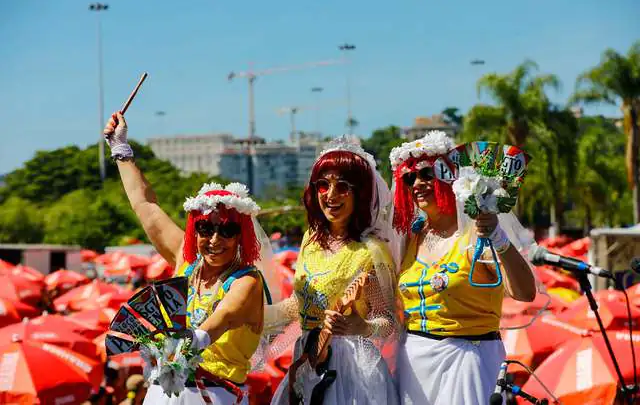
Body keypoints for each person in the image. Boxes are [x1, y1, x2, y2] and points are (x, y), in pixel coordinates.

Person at [103, 112, 274, 404]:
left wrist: (194, 340)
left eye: (228, 230)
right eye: (206, 228)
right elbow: (145, 205)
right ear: (195, 230)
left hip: (214, 396)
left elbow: (225, 317)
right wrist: (121, 149)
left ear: (241, 236)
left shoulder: (247, 281)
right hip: (162, 392)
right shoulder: (186, 262)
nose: (215, 239)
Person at [389, 130, 538, 405]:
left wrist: (499, 238)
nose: (417, 184)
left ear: (450, 178)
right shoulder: (410, 238)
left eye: (427, 174)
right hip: (414, 365)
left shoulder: (475, 234)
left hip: (468, 361)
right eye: (409, 178)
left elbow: (525, 292)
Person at [264, 136, 400, 404]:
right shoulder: (310, 241)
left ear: (360, 193)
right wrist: (254, 314)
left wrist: (360, 326)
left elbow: (387, 323)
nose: (331, 195)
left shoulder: (371, 250)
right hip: (307, 357)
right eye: (323, 185)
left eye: (343, 186)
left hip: (353, 373)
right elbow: (299, 305)